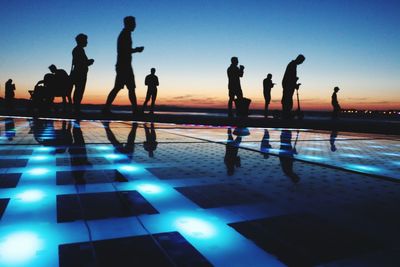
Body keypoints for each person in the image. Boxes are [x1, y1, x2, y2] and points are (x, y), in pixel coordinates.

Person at [103, 16, 144, 115]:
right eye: (133, 23)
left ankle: (134, 110)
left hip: (124, 65)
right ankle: (107, 108)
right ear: (129, 24)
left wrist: (134, 50)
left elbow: (124, 50)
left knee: (128, 88)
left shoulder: (126, 34)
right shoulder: (125, 34)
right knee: (121, 88)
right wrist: (136, 50)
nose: (135, 25)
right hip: (123, 66)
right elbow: (124, 50)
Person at [71, 33, 94, 114]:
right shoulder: (78, 50)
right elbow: (80, 62)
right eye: (85, 40)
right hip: (80, 73)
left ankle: (76, 108)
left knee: (78, 91)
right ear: (81, 41)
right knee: (79, 91)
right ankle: (76, 109)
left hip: (79, 73)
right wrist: (89, 62)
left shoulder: (78, 50)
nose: (87, 42)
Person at [281, 54, 305, 119]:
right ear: (299, 59)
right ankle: (286, 114)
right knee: (287, 99)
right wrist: (295, 84)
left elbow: (292, 77)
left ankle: (286, 113)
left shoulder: (293, 64)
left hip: (288, 84)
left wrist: (295, 84)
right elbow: (290, 77)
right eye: (301, 61)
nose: (301, 63)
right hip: (288, 84)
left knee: (287, 98)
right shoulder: (292, 65)